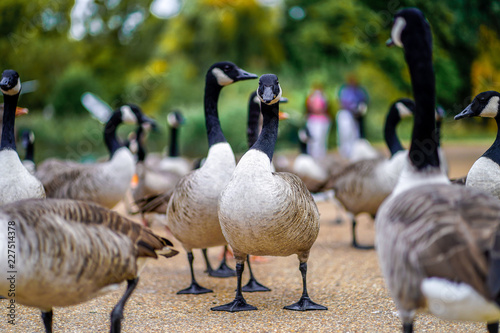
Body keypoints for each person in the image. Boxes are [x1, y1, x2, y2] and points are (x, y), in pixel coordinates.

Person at [336, 75, 370, 160]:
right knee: (345, 133)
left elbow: (365, 101)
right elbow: (341, 103)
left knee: (355, 134)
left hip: (356, 116)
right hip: (346, 114)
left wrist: (359, 109)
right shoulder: (344, 90)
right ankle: (345, 152)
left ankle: (354, 152)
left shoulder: (360, 91)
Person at [304, 85, 331, 160]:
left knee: (321, 139)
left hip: (322, 120)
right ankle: (313, 156)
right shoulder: (310, 98)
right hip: (313, 120)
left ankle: (321, 156)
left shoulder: (324, 97)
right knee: (313, 139)